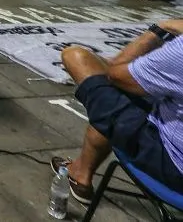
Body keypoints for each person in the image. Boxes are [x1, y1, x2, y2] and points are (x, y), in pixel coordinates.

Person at [54, 21, 183, 204]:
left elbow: (115, 75)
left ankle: (80, 173)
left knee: (75, 56)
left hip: (173, 166)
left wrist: (159, 30)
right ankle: (81, 172)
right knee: (138, 97)